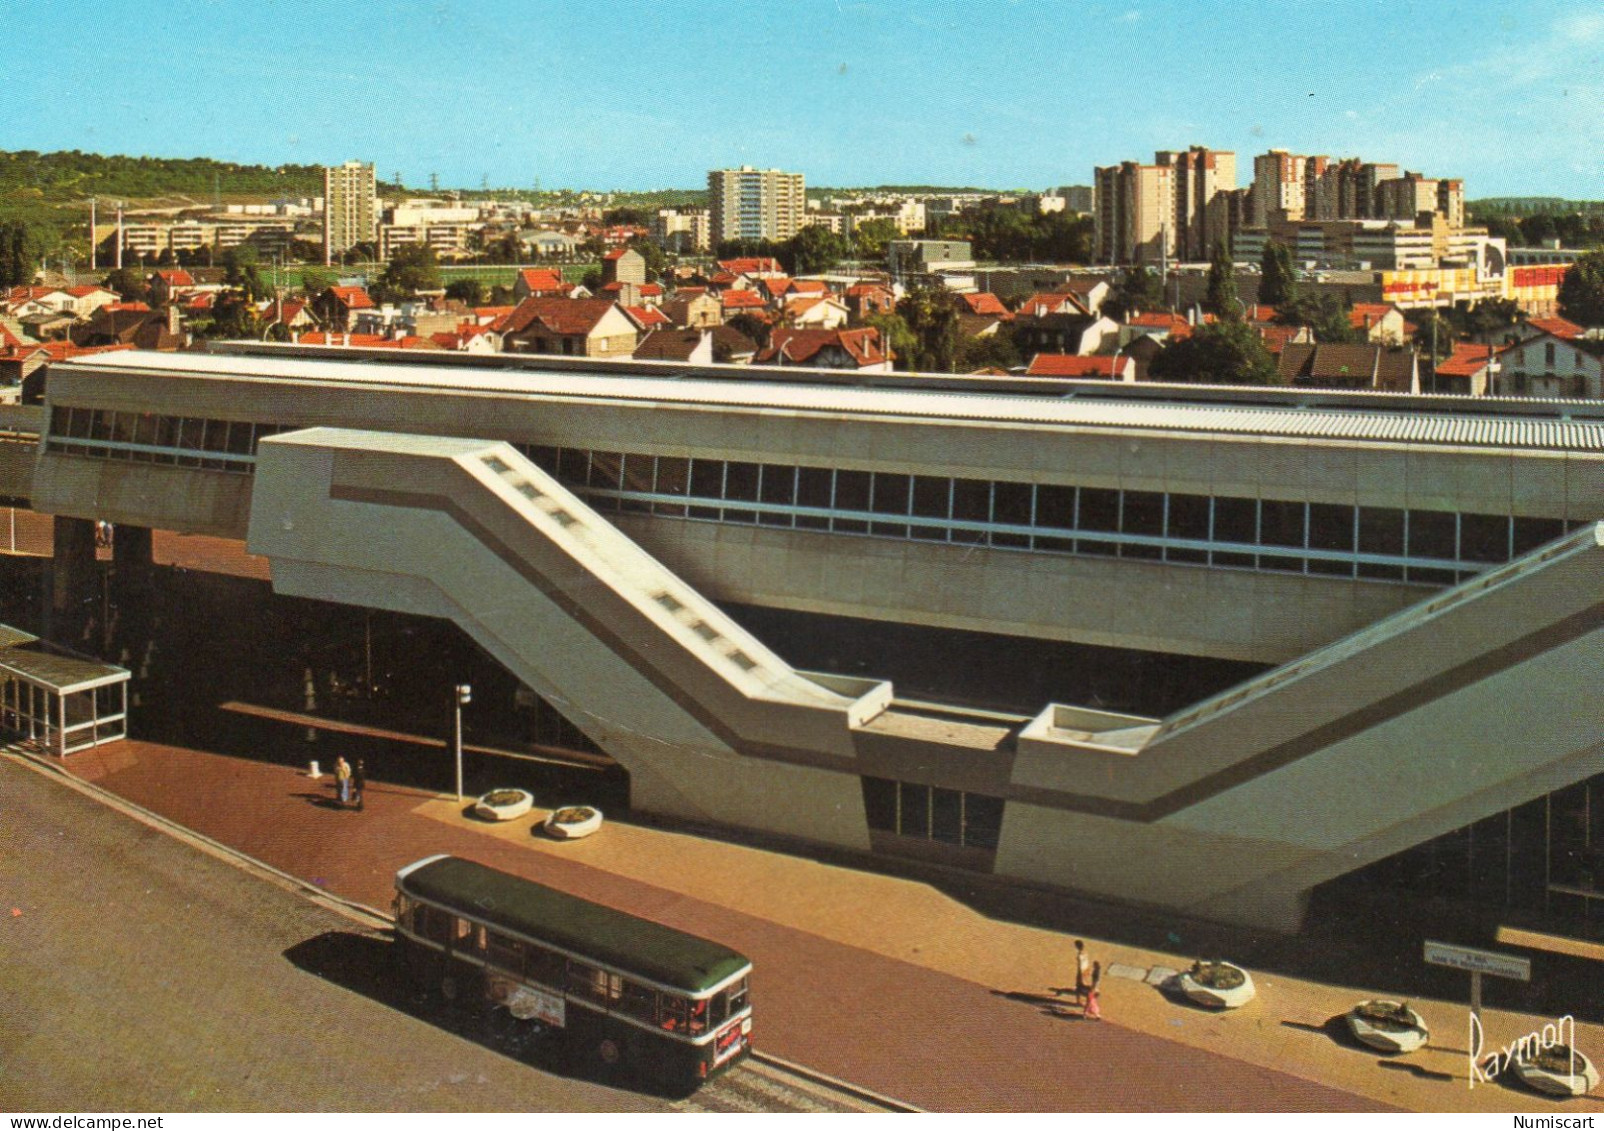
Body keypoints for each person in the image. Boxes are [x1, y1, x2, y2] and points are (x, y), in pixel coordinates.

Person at [1073, 939, 1092, 1005]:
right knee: (1085, 985)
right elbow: (1087, 962)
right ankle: (1086, 999)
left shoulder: (1080, 954)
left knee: (1079, 986)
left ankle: (1079, 1001)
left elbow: (1080, 965)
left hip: (1081, 971)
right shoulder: (1086, 953)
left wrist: (1080, 973)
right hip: (1086, 970)